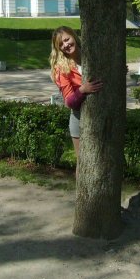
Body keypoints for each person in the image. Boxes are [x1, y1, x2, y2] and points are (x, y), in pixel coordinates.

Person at [49, 26, 102, 171]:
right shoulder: (61, 68)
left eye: (67, 39)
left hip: (101, 115)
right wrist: (82, 90)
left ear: (73, 36)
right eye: (61, 44)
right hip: (79, 119)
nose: (66, 45)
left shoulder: (92, 54)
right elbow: (69, 102)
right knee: (82, 163)